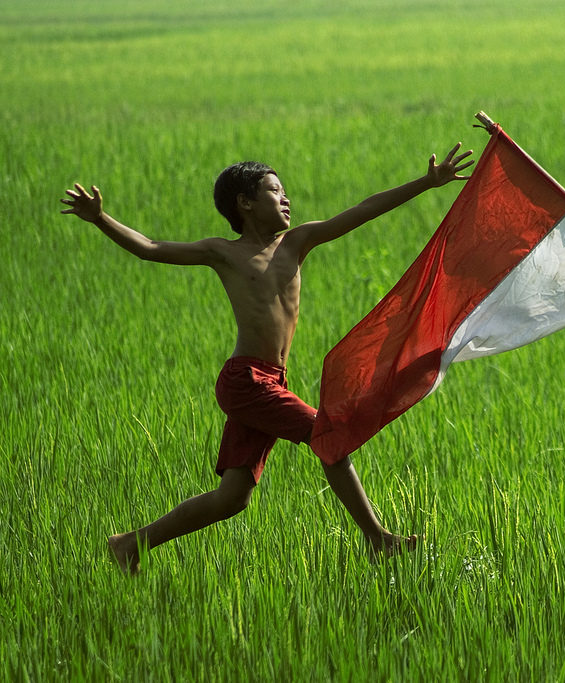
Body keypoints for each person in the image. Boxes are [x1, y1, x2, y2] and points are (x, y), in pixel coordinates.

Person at [61, 143, 474, 574]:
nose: (286, 199)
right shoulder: (225, 252)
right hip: (246, 381)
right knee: (329, 437)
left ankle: (130, 544)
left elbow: (363, 209)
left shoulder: (297, 243)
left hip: (272, 381)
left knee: (232, 499)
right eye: (275, 192)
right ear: (245, 203)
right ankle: (378, 538)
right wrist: (100, 219)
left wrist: (427, 183)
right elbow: (149, 246)